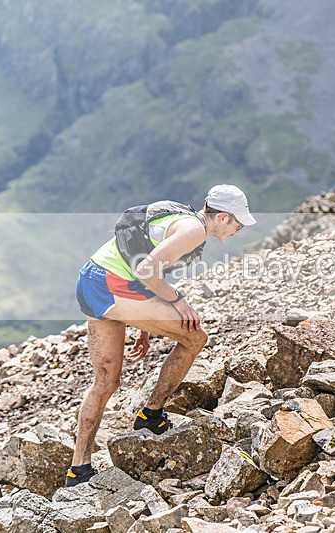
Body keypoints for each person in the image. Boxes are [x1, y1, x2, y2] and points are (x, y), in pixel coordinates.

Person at [66, 184, 256, 486]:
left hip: (91, 278)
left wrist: (143, 324)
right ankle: (151, 414)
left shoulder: (181, 216)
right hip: (113, 285)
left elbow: (146, 263)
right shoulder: (193, 231)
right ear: (222, 217)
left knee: (105, 381)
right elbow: (146, 270)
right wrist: (179, 301)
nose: (239, 229)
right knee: (195, 338)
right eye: (238, 222)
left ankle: (79, 470)